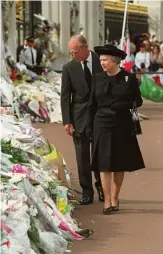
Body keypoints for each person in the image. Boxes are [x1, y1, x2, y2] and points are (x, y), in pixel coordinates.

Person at [86, 44, 145, 214]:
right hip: (101, 124)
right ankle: (106, 199)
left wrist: (123, 104)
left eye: (105, 60)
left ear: (115, 61)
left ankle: (115, 197)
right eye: (101, 60)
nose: (102, 63)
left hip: (122, 125)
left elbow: (137, 101)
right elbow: (92, 104)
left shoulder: (129, 78)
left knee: (118, 164)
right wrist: (89, 126)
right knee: (104, 165)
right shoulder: (97, 78)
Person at [61, 35, 104, 205]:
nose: (73, 55)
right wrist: (67, 121)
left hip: (100, 116)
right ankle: (87, 191)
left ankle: (102, 187)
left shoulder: (102, 62)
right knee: (82, 156)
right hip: (79, 117)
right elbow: (65, 96)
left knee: (100, 154)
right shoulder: (69, 68)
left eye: (75, 52)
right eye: (71, 52)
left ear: (85, 47)